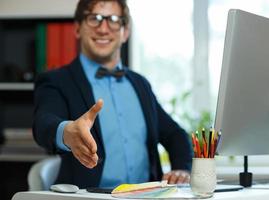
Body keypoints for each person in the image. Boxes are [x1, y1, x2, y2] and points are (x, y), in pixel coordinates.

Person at [33, 0, 193, 189]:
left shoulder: (140, 84)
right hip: (88, 198)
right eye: (94, 19)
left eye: (114, 20)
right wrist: (67, 132)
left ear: (125, 32)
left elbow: (175, 134)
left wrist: (182, 169)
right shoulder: (56, 80)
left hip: (147, 196)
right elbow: (43, 123)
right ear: (77, 29)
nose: (103, 29)